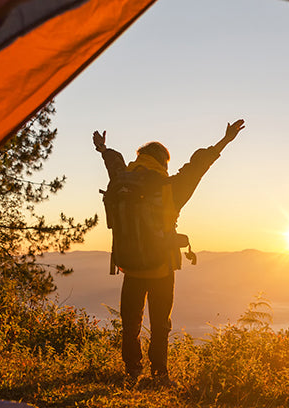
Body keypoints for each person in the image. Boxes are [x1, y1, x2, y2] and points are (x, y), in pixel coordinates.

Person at [93, 119, 245, 384]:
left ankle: (131, 370)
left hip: (129, 264)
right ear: (163, 161)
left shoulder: (122, 180)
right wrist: (225, 140)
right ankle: (159, 374)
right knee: (160, 323)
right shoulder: (171, 187)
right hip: (161, 267)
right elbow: (199, 165)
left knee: (131, 321)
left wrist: (103, 148)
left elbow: (114, 162)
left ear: (140, 158)